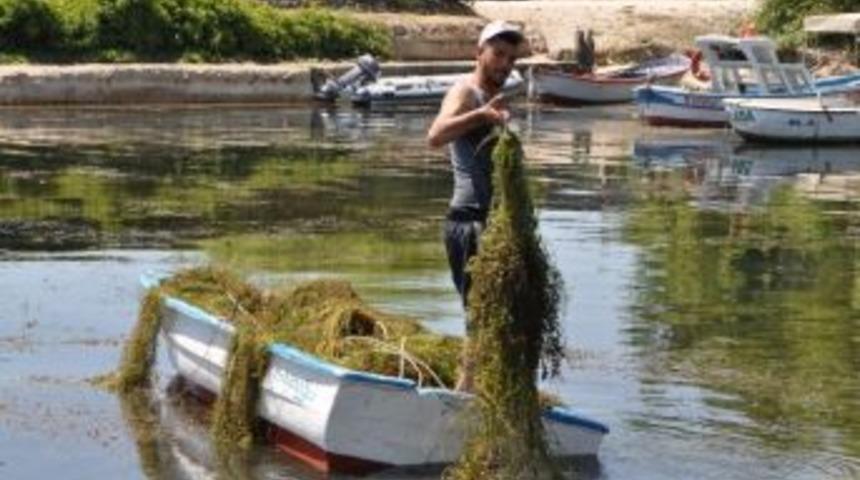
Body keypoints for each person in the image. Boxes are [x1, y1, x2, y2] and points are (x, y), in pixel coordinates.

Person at [426, 20, 525, 391]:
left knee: (505, 315)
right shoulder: (466, 92)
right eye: (498, 54)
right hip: (468, 222)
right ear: (479, 53)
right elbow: (435, 136)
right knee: (481, 315)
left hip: (493, 222)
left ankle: (490, 388)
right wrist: (482, 117)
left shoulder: (493, 101)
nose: (504, 64)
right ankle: (465, 393)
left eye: (511, 58)